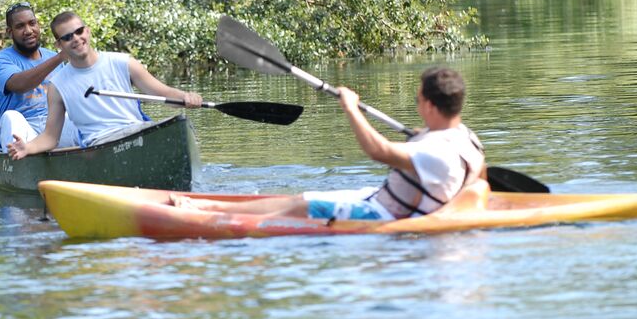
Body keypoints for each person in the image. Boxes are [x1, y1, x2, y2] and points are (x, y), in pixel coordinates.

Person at [174, 67, 485, 220]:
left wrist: (350, 108)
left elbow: (378, 151)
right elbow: (479, 182)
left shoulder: (433, 152)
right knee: (298, 197)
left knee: (302, 205)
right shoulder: (467, 139)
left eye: (418, 100)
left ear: (431, 105)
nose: (417, 105)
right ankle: (208, 204)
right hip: (380, 199)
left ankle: (206, 214)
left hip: (383, 215)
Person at [6, 11, 203, 158]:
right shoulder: (57, 86)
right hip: (100, 145)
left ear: (88, 31)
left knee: (179, 124)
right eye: (67, 37)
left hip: (138, 131)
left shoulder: (123, 62)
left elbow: (163, 93)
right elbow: (50, 137)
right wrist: (27, 148)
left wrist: (185, 97)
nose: (76, 39)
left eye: (79, 31)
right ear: (59, 45)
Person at [0, 2, 78, 152]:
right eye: (20, 26)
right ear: (10, 32)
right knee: (11, 116)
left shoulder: (52, 56)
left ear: (38, 25)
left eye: (32, 23)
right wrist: (61, 57)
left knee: (80, 116)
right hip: (24, 127)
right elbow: (20, 84)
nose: (28, 30)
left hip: (53, 126)